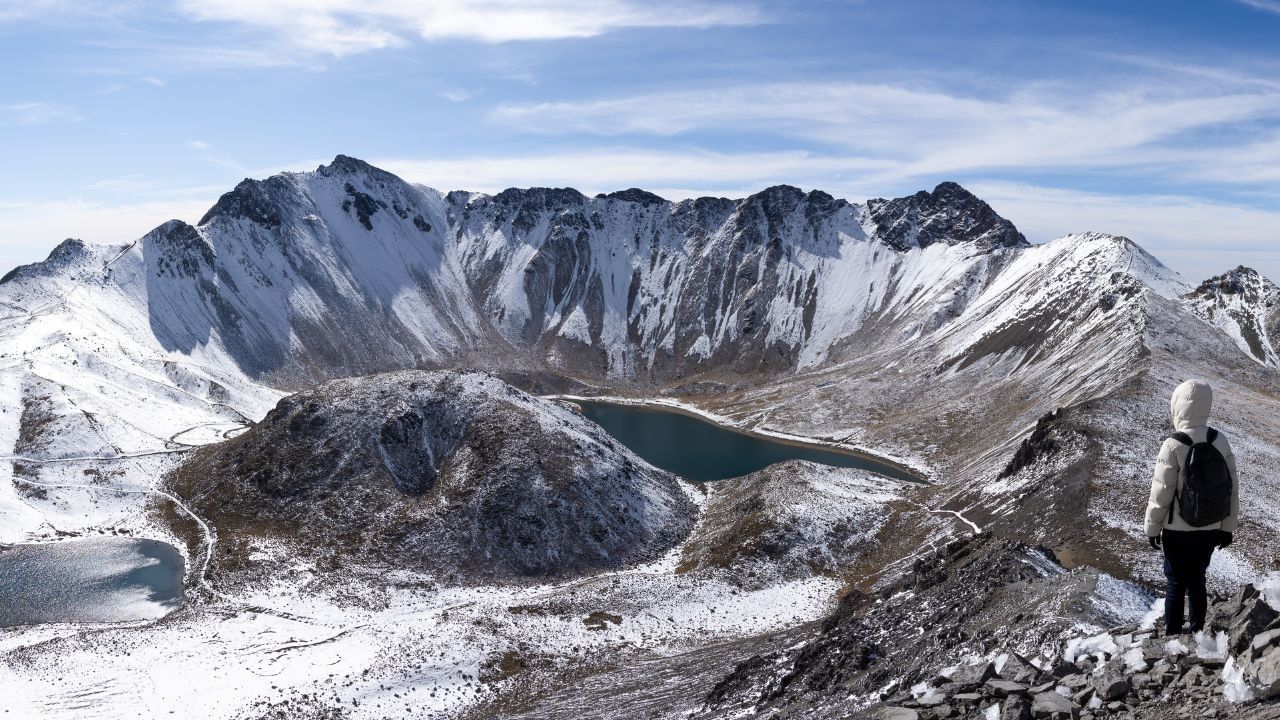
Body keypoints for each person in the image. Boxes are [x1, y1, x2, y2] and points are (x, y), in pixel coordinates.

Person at [1144, 379, 1239, 636]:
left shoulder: (1173, 444)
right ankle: (1197, 634)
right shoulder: (1219, 440)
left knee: (1175, 583)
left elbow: (1161, 491)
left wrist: (1152, 528)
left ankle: (1172, 637)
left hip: (1176, 529)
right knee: (1198, 581)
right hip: (1209, 526)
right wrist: (1227, 527)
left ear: (1178, 405)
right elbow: (1232, 486)